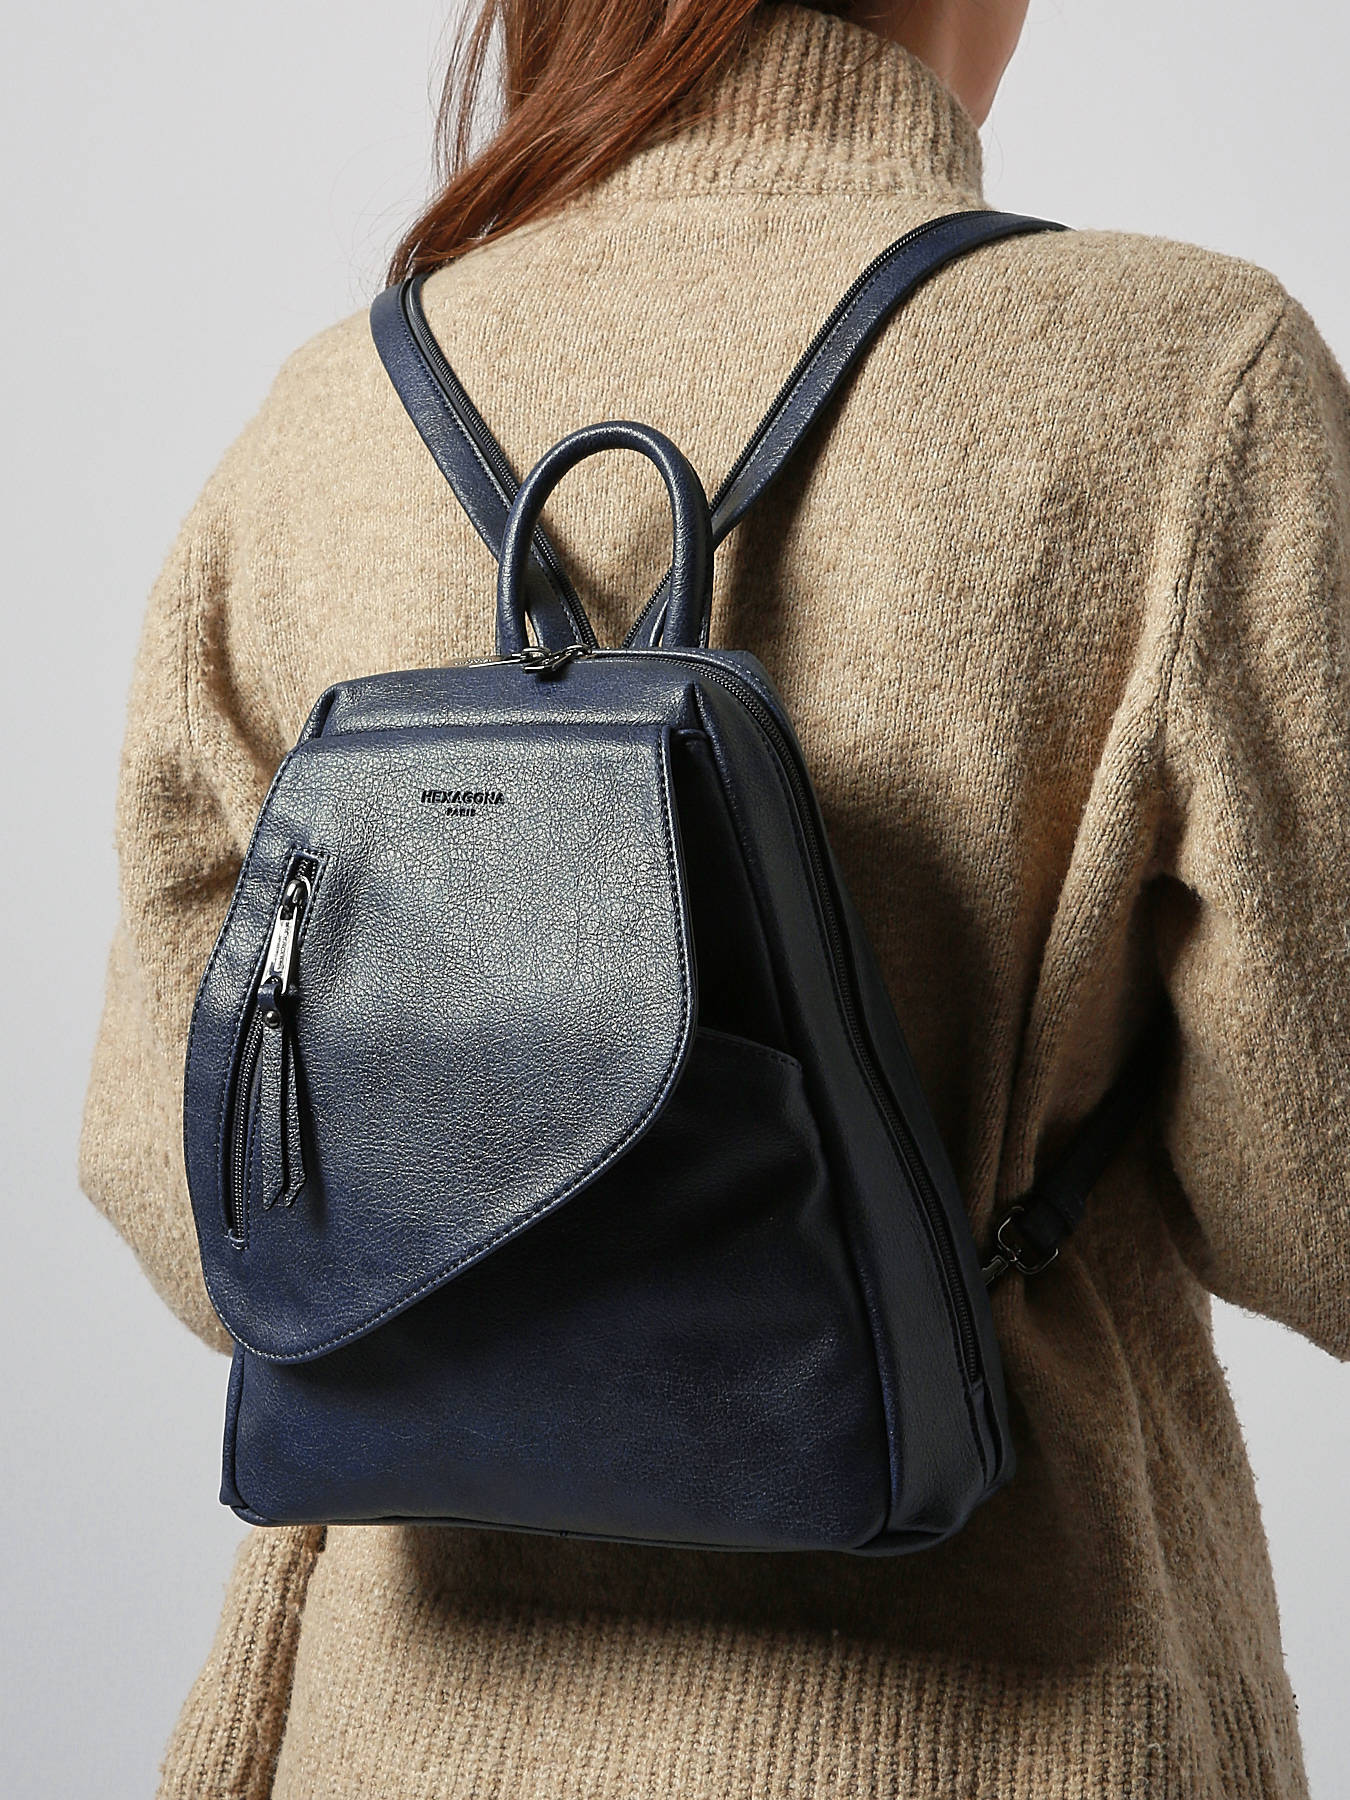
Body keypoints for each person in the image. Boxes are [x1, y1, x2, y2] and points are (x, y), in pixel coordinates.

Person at [80, 2, 1350, 1795]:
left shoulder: (324, 416)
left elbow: (184, 1191)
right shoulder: (1187, 373)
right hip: (1006, 1712)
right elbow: (1320, 1207)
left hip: (389, 1724)